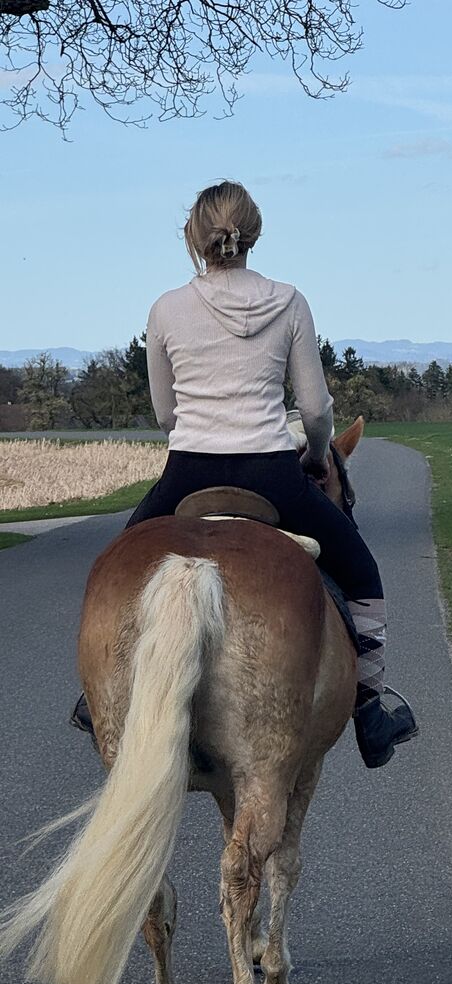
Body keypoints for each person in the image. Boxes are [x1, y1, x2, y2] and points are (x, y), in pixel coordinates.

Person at [72, 179, 417, 769]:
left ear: (194, 237)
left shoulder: (165, 309)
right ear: (253, 233)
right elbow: (315, 411)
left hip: (185, 474)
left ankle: (96, 694)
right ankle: (370, 708)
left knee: (113, 569)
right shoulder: (290, 302)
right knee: (362, 572)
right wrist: (316, 455)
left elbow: (165, 414)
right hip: (273, 474)